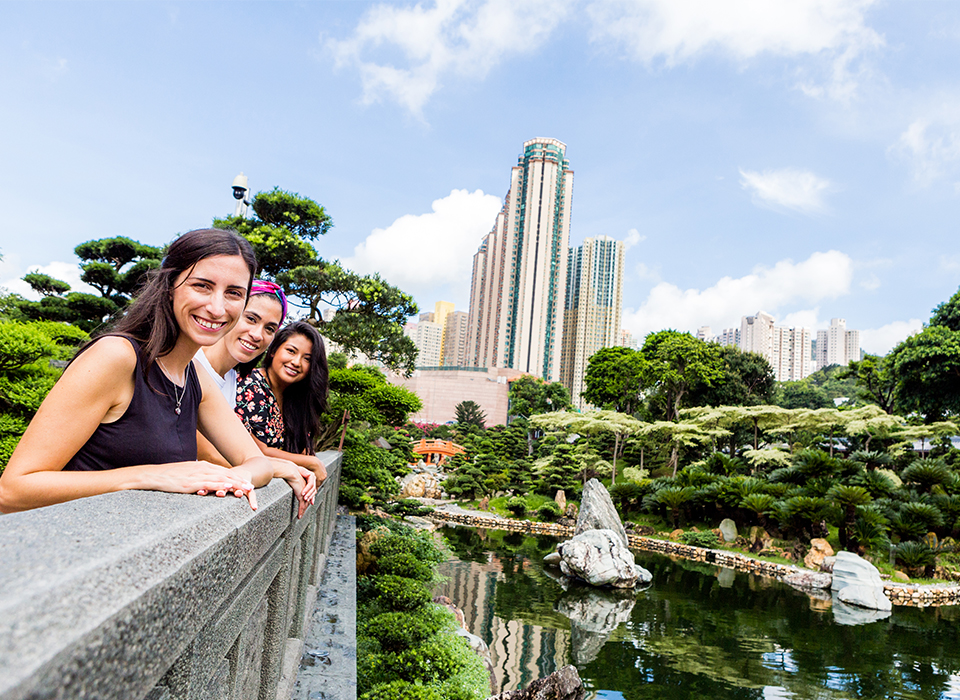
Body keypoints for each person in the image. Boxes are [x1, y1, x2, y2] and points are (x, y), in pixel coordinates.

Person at [0, 228, 313, 515]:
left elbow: (255, 461)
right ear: (169, 286)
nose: (218, 308)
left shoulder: (195, 378)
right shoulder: (117, 357)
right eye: (202, 286)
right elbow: (12, 490)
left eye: (233, 293)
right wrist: (147, 475)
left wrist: (237, 477)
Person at [235, 321, 329, 484]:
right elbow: (257, 451)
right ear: (273, 350)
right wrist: (312, 462)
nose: (296, 362)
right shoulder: (251, 386)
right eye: (291, 351)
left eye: (307, 359)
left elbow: (302, 448)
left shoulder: (296, 398)